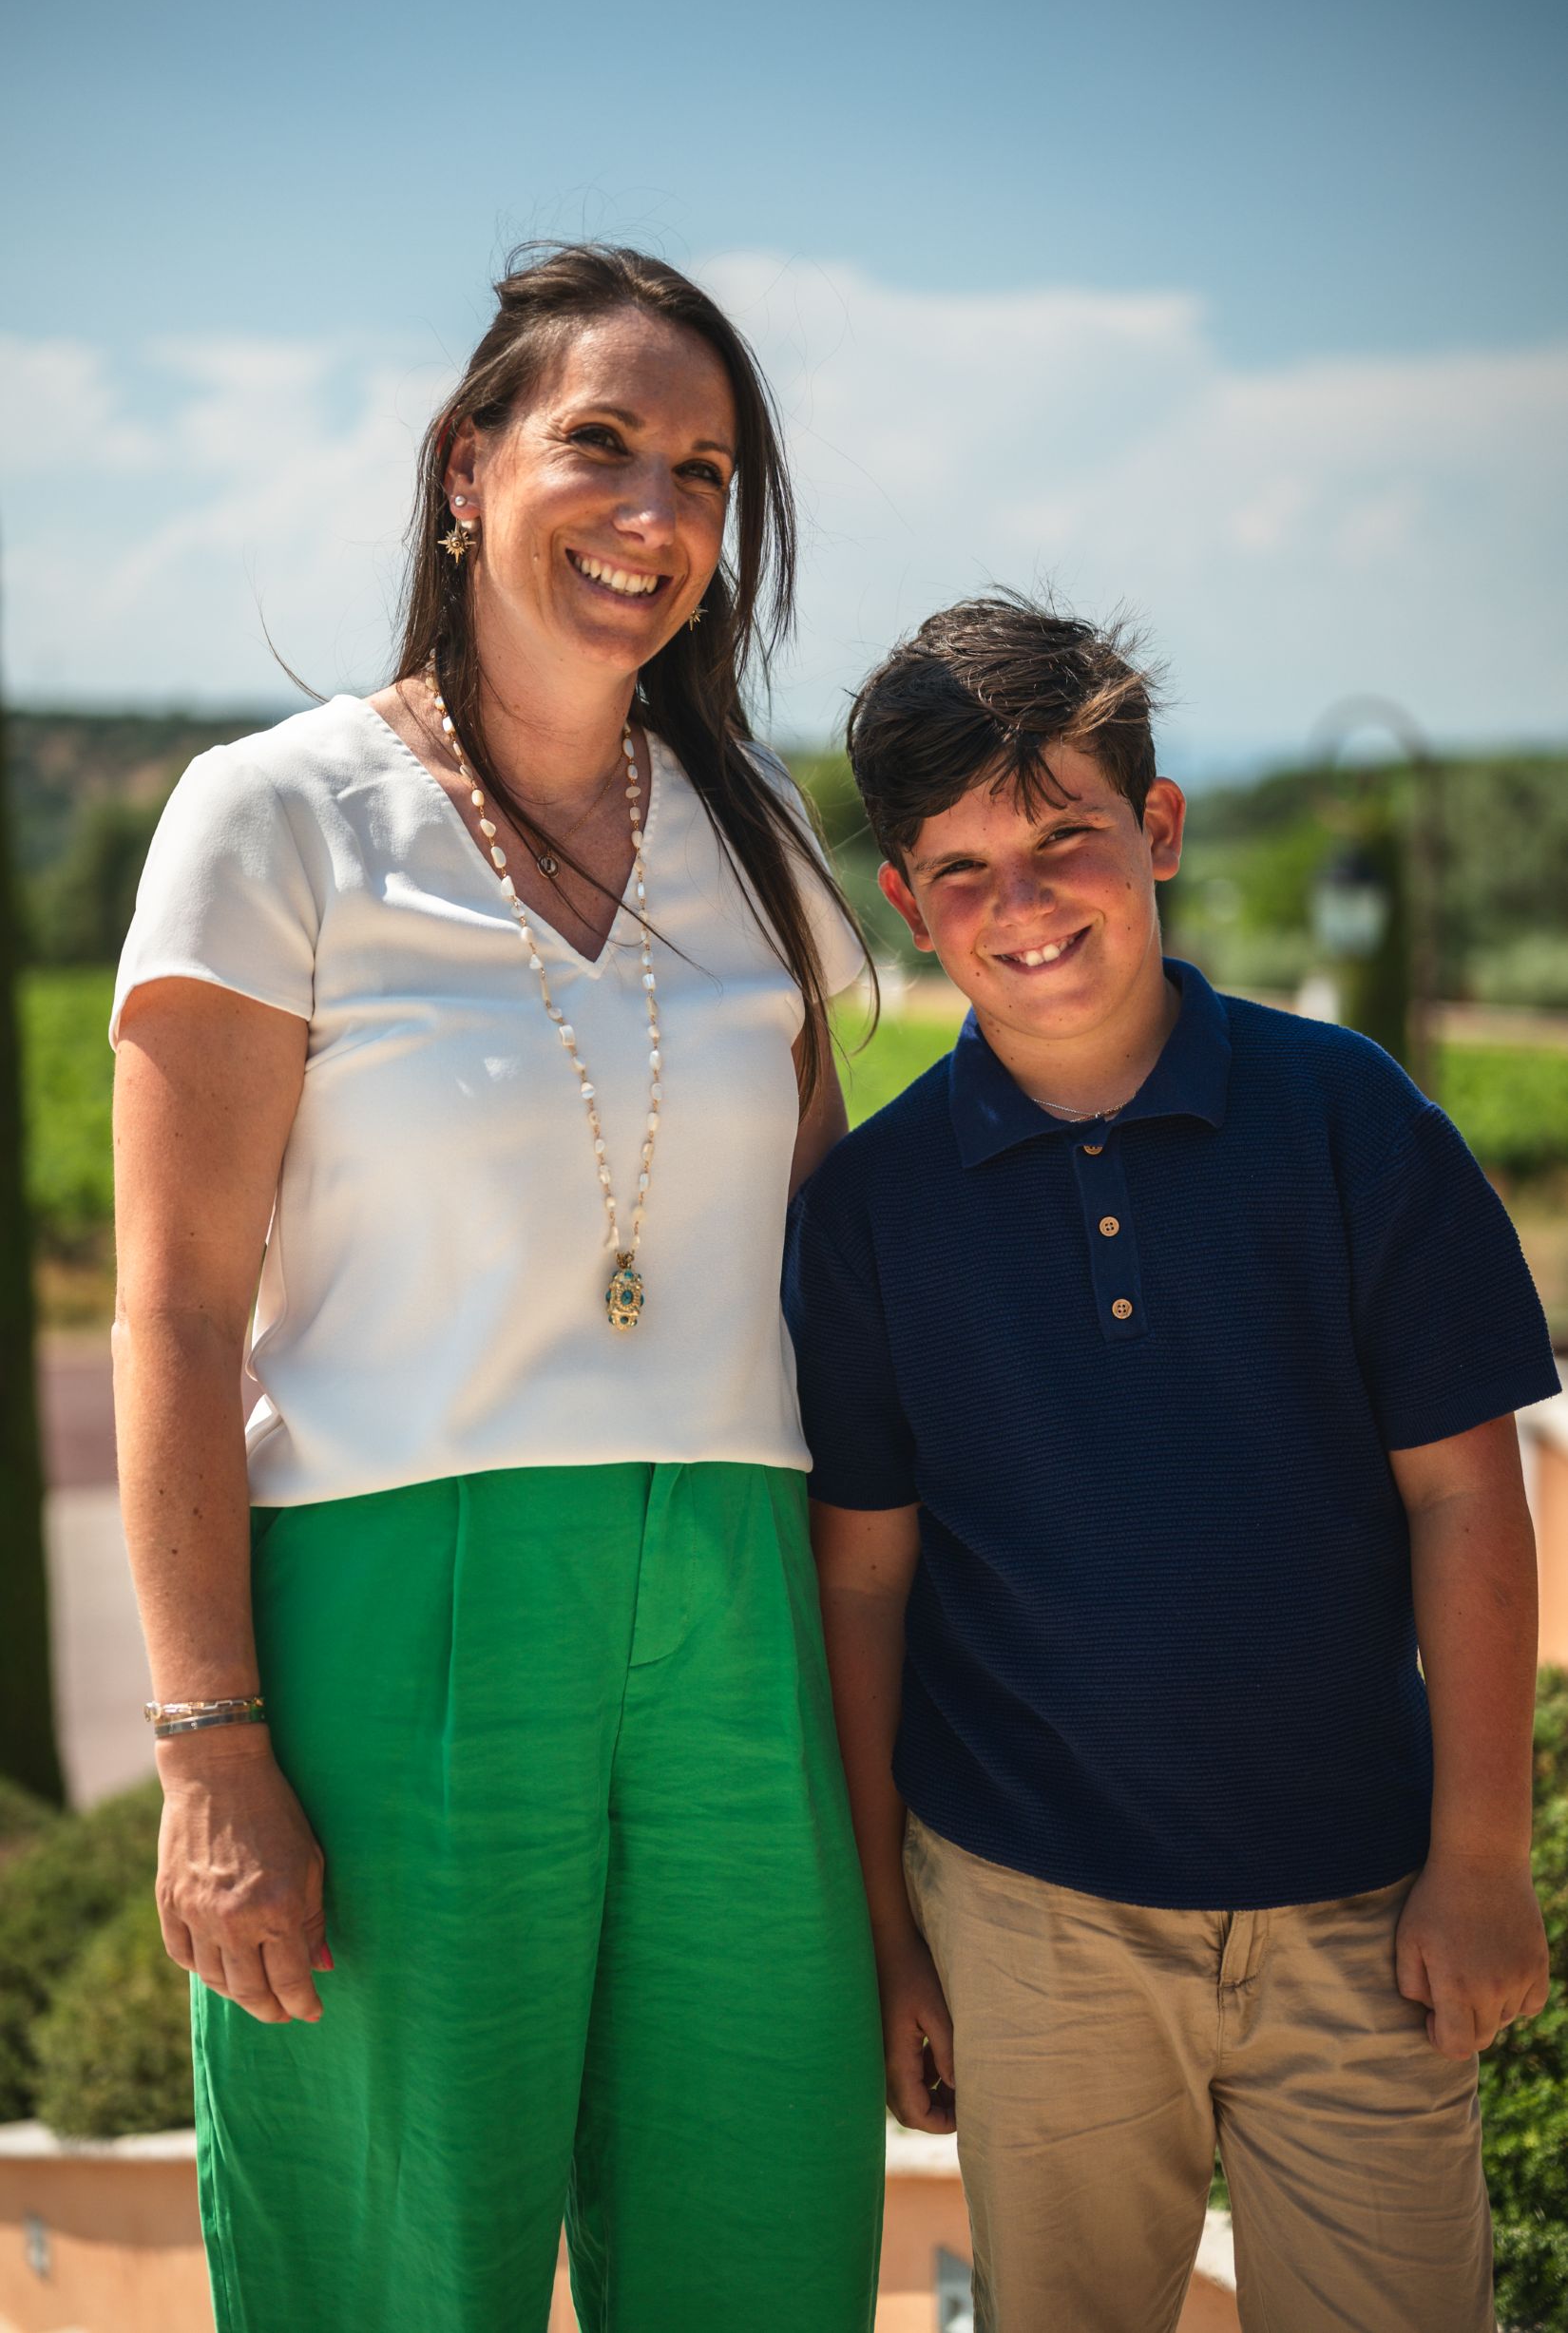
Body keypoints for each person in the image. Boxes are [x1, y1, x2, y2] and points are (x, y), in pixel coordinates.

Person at [111, 242, 886, 2333]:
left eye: (708, 476)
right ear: (469, 469)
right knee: (394, 2273)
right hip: (396, 1613)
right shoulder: (271, 816)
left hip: (740, 1612)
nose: (658, 518)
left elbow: (845, 1271)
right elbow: (175, 1311)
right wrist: (210, 1753)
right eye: (603, 445)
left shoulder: (763, 843)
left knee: (765, 2241)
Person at [783, 593, 1558, 2333]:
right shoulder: (869, 1219)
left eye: (1063, 839)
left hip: (1366, 1908)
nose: (1023, 904)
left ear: (1159, 829)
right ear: (904, 904)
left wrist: (1481, 1855)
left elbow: (1464, 1493)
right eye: (962, 871)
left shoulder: (1350, 1120)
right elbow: (866, 1581)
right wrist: (891, 1939)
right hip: (1029, 1920)